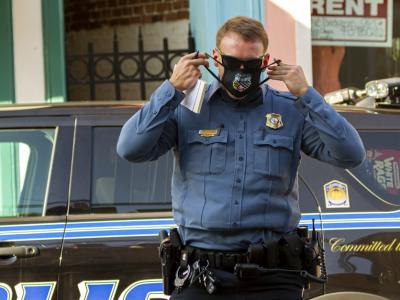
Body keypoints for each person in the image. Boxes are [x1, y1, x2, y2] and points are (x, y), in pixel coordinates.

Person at [117, 16, 365, 300]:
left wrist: (307, 94)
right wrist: (171, 89)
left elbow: (351, 154)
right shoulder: (186, 110)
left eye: (250, 64)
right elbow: (130, 149)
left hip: (274, 277)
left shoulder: (290, 112)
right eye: (233, 63)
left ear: (266, 61)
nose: (241, 72)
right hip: (201, 275)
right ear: (215, 59)